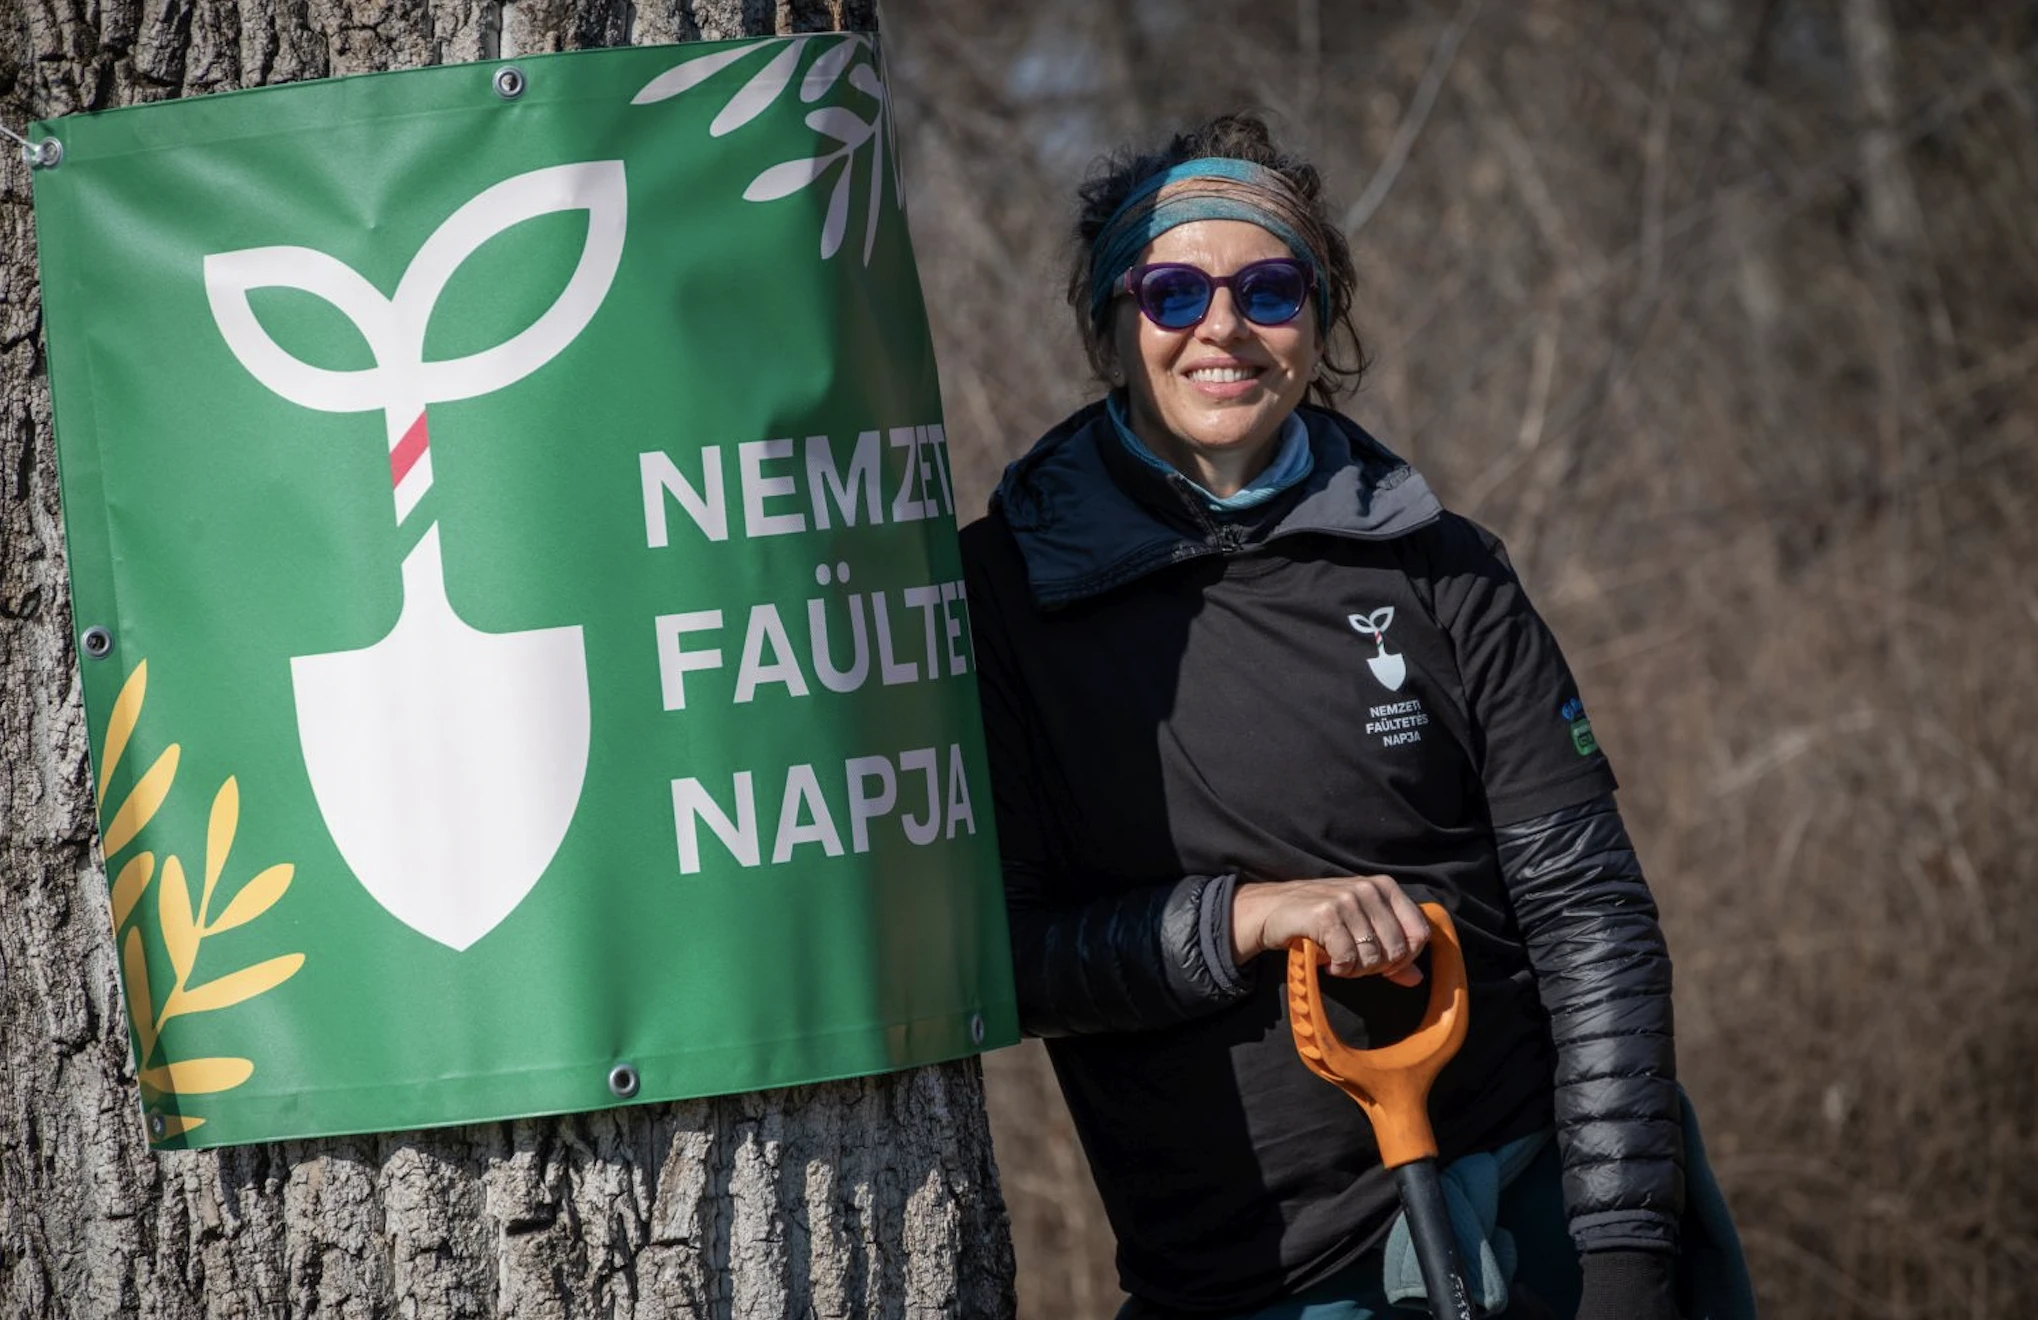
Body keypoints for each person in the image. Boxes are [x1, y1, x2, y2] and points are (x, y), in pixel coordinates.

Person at [960, 115, 1732, 1319]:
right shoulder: (1004, 597)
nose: (1221, 327)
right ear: (1110, 328)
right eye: (1172, 292)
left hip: (1525, 1203)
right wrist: (1245, 919)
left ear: (1319, 326)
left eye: (1268, 290)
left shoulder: (1439, 565)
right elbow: (996, 962)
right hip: (1238, 1272)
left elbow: (1591, 924)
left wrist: (1626, 1261)